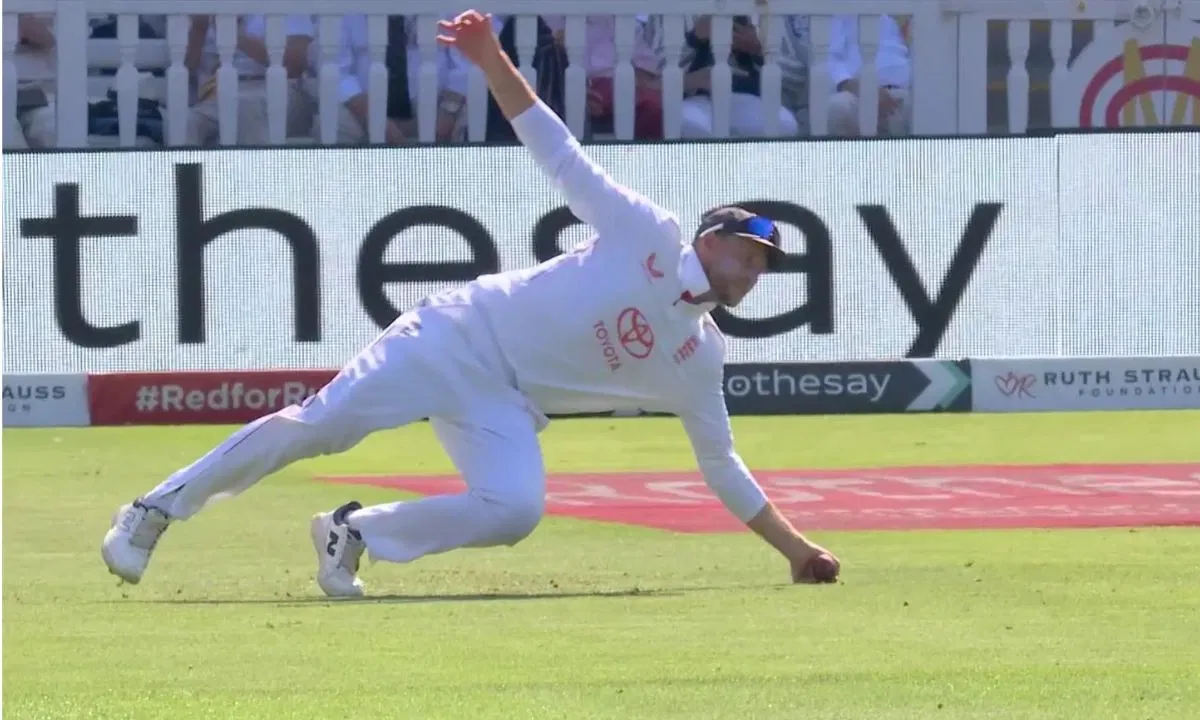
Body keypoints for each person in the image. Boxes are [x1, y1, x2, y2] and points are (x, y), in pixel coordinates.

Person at [101, 10, 842, 598]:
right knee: (321, 426)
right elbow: (558, 152)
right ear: (710, 242)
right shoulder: (647, 232)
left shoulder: (699, 357)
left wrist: (797, 551)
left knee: (514, 509)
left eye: (762, 268)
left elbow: (722, 464)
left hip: (505, 401)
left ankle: (352, 532)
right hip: (455, 335)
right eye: (747, 256)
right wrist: (491, 59)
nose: (751, 274)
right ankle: (152, 512)